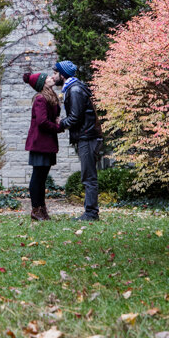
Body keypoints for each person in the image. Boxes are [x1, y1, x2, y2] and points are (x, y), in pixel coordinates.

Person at [55, 60, 102, 221]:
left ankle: (91, 213)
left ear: (63, 75)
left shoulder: (74, 90)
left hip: (87, 137)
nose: (53, 76)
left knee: (88, 176)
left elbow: (75, 117)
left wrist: (61, 124)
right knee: (88, 175)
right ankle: (90, 211)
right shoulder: (75, 88)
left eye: (56, 73)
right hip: (87, 136)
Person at [22, 71, 62, 220]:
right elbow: (42, 122)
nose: (52, 77)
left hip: (47, 143)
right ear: (42, 83)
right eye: (47, 78)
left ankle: (42, 209)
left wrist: (58, 120)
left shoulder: (50, 97)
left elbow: (52, 117)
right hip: (40, 143)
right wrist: (59, 127)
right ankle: (36, 209)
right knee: (37, 177)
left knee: (42, 177)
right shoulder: (40, 99)